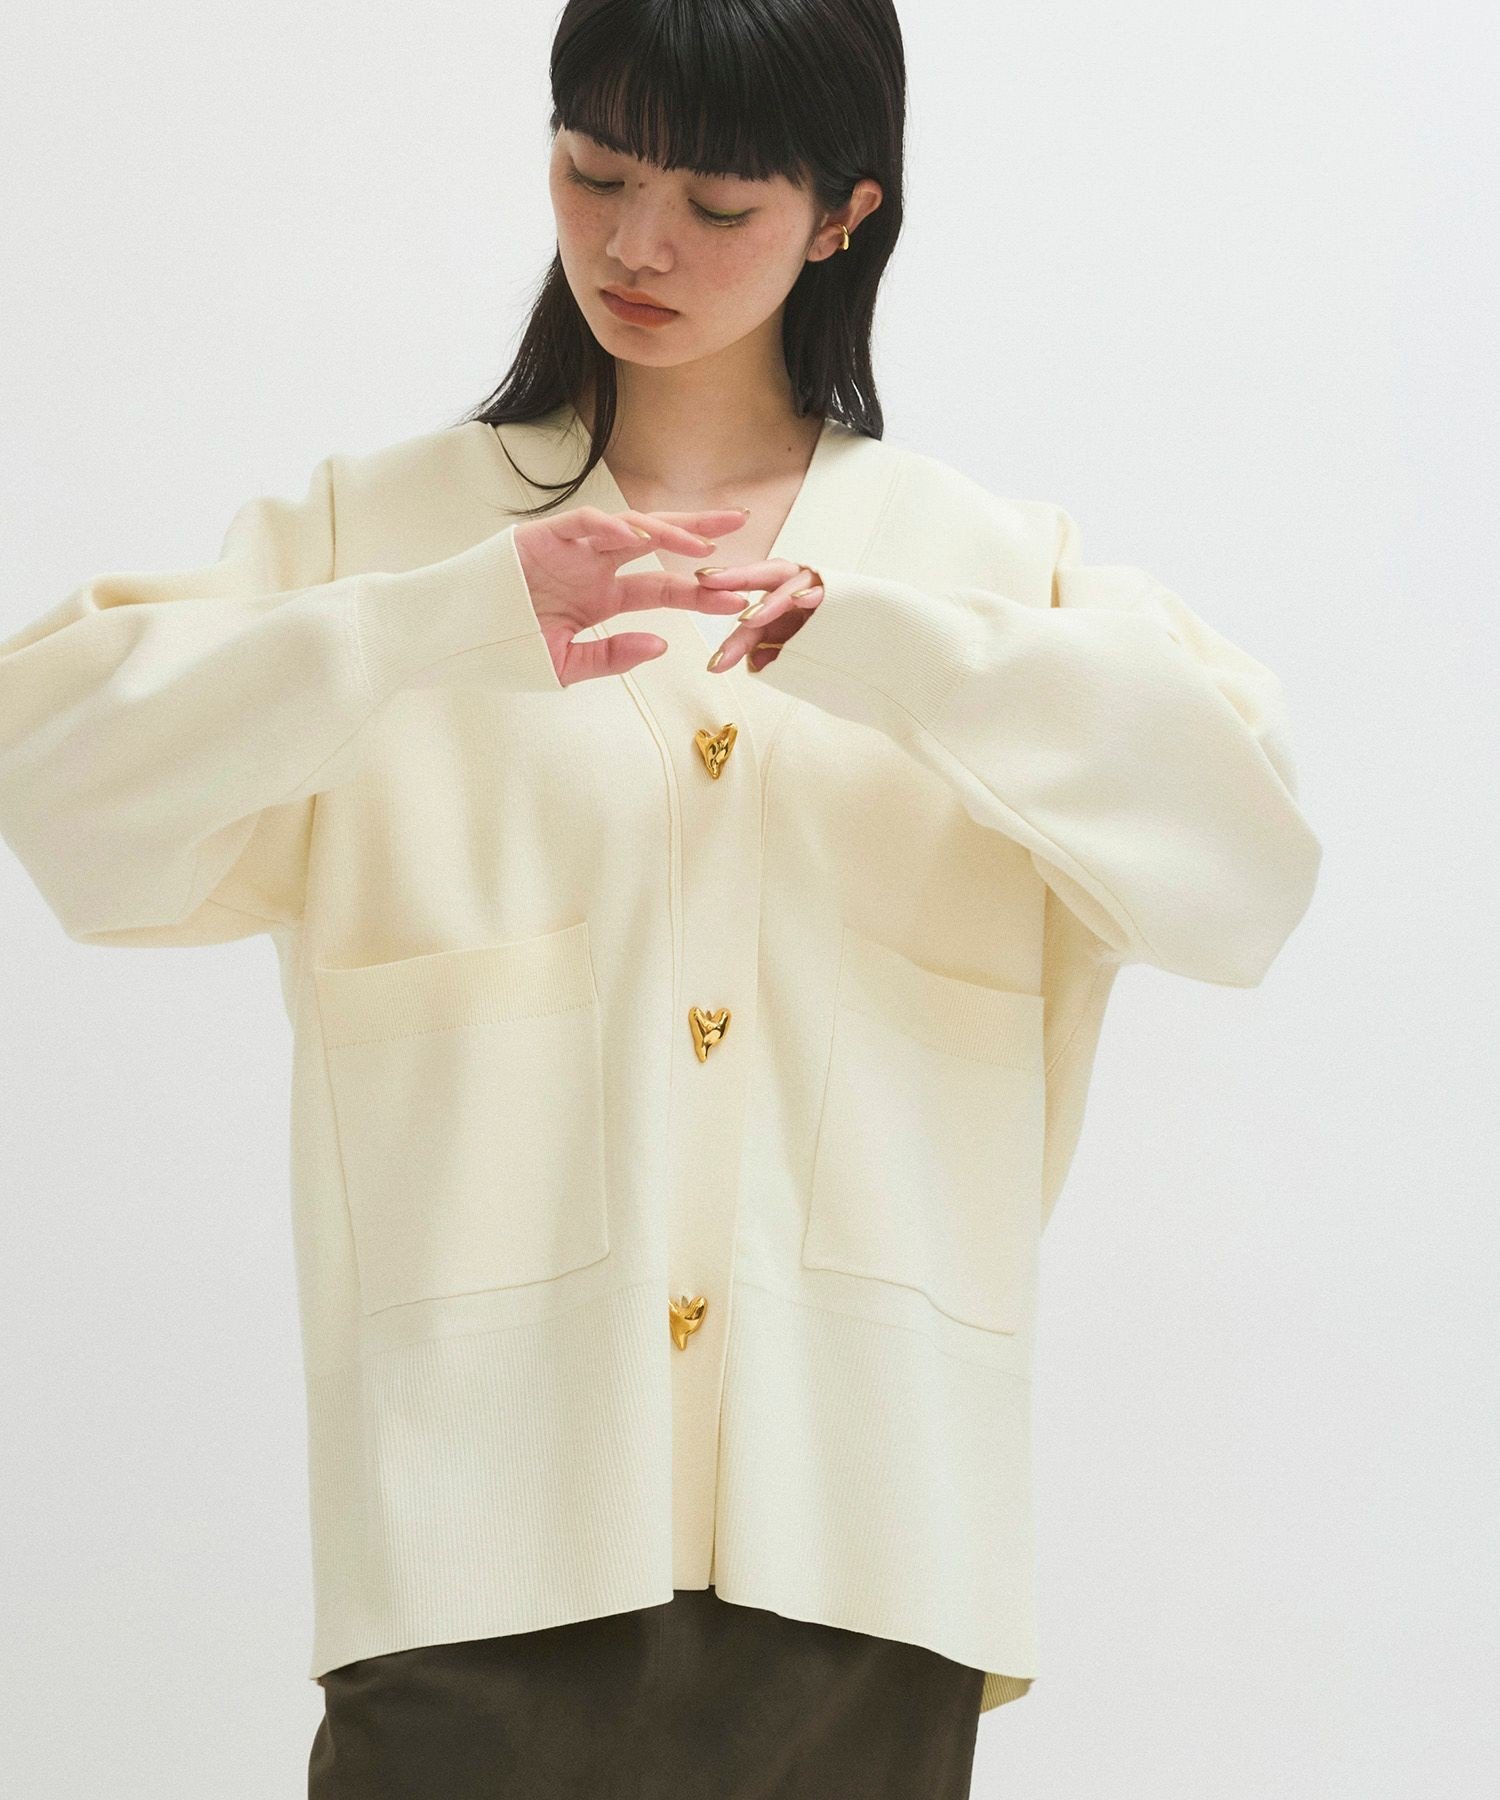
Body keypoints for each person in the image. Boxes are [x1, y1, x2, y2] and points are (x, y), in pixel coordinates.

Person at [0, 2, 1323, 1796]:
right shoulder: (378, 541)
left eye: (717, 204)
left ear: (843, 215)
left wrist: (901, 658)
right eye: (596, 172)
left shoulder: (995, 581)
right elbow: (63, 787)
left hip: (867, 1560)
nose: (636, 245)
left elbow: (1247, 875)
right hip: (466, 1562)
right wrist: (443, 625)